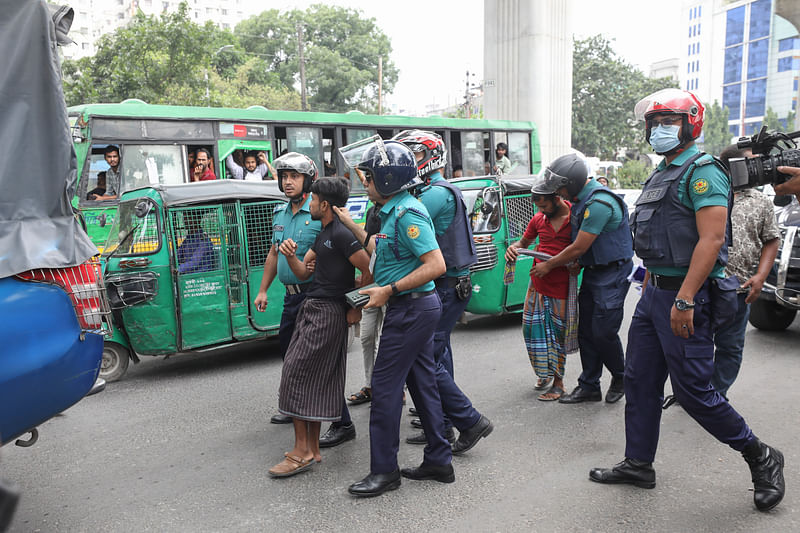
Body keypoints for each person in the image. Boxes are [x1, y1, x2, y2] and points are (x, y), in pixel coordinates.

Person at [589, 88, 785, 512]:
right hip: (653, 292)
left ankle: (762, 456)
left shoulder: (703, 171)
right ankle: (638, 463)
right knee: (640, 382)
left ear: (689, 125)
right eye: (654, 123)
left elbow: (712, 239)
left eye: (668, 122)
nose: (659, 130)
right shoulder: (661, 172)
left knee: (694, 391)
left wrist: (685, 299)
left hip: (685, 296)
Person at [342, 139, 453, 497]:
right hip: (412, 306)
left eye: (370, 177)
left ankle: (385, 472)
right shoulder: (392, 211)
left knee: (385, 390)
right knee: (422, 382)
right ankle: (439, 459)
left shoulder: (409, 214)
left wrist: (388, 290)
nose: (366, 183)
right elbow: (381, 250)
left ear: (387, 179)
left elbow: (436, 265)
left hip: (411, 308)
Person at [393, 129, 493, 451]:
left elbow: (400, 231)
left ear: (432, 156)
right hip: (449, 284)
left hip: (446, 285)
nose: (412, 161)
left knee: (426, 358)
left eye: (416, 155)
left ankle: (469, 420)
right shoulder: (433, 190)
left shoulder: (434, 193)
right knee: (438, 353)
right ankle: (443, 423)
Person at [268, 177, 372, 477]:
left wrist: (354, 307)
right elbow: (302, 272)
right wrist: (290, 255)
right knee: (307, 378)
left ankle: (301, 452)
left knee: (295, 374)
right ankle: (310, 450)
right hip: (312, 307)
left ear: (324, 204)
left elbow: (368, 268)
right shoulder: (324, 233)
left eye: (312, 200)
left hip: (328, 312)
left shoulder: (340, 233)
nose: (309, 204)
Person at [532, 154, 632, 405]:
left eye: (561, 188)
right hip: (593, 271)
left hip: (612, 273)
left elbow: (578, 246)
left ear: (573, 183)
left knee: (603, 331)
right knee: (585, 330)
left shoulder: (599, 202)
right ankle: (589, 385)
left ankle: (621, 377)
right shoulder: (580, 200)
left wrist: (550, 265)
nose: (559, 194)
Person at [254, 152, 332, 427]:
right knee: (288, 353)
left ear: (308, 180)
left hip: (314, 295)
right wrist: (263, 290)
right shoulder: (279, 214)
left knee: (312, 359)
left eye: (294, 177)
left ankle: (332, 417)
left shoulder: (319, 213)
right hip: (290, 298)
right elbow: (273, 255)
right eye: (284, 177)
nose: (288, 182)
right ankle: (294, 406)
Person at [711, 145, 779, 398]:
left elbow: (772, 240)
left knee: (729, 346)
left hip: (739, 288)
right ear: (731, 166)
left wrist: (761, 276)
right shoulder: (709, 193)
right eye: (751, 164)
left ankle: (716, 395)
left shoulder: (760, 201)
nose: (757, 170)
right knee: (697, 345)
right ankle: (696, 392)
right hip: (703, 286)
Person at [505, 178, 577, 401]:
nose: (542, 211)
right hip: (537, 285)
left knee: (558, 336)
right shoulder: (538, 219)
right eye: (538, 207)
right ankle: (544, 373)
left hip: (562, 287)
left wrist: (574, 263)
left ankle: (558, 383)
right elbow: (523, 244)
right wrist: (512, 248)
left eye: (544, 205)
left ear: (557, 198)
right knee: (531, 331)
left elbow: (584, 248)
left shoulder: (576, 217)